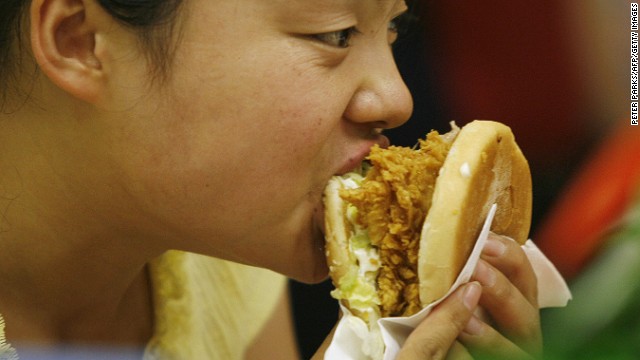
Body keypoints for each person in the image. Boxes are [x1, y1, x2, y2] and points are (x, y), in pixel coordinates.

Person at [0, 0, 542, 358]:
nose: (398, 99)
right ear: (80, 40)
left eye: (393, 27)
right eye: (335, 33)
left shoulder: (223, 251)